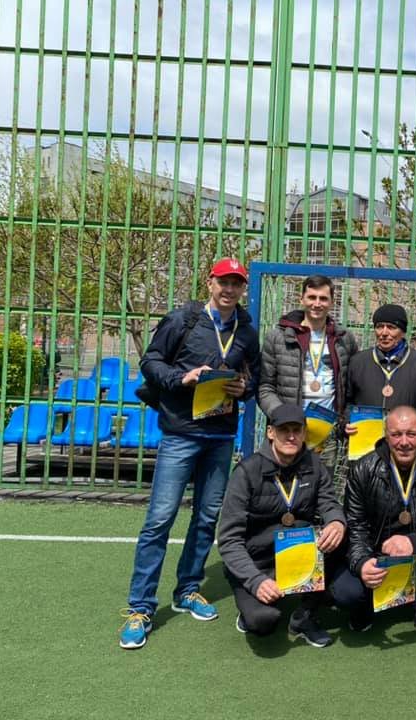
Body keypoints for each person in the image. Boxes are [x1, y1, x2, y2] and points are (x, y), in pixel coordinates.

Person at [119, 257, 261, 650]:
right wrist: (181, 378)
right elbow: (150, 361)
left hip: (221, 435)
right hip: (181, 433)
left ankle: (187, 589)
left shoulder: (247, 331)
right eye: (223, 282)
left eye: (236, 283)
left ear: (243, 288)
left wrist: (244, 389)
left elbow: (255, 378)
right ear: (210, 282)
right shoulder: (183, 319)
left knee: (207, 517)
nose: (229, 289)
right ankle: (140, 607)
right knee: (159, 519)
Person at [331, 405, 416, 647]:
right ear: (386, 435)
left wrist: (414, 541)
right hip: (378, 556)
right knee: (346, 593)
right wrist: (362, 563)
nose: (404, 442)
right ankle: (366, 606)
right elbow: (356, 525)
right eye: (396, 434)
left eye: (411, 434)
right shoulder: (363, 468)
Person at [217, 404, 346, 646]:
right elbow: (228, 540)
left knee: (342, 534)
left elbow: (329, 503)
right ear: (270, 432)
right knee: (263, 621)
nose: (291, 436)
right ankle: (251, 603)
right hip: (258, 561)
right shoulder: (247, 471)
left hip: (298, 556)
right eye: (284, 430)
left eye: (297, 430)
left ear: (304, 433)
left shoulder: (315, 465)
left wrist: (336, 521)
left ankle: (305, 616)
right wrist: (255, 581)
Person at [258, 274, 358, 483]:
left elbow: (352, 389)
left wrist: (346, 418)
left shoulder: (344, 339)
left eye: (323, 298)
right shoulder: (278, 337)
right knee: (282, 489)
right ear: (301, 298)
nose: (317, 304)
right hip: (288, 430)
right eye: (312, 297)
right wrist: (282, 416)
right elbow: (265, 386)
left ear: (332, 302)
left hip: (327, 432)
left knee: (322, 489)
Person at [345, 303, 416, 437]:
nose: (384, 333)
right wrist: (347, 421)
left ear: (402, 331)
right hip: (366, 439)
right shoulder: (358, 362)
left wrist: (413, 429)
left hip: (405, 442)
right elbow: (347, 402)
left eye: (391, 327)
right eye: (380, 327)